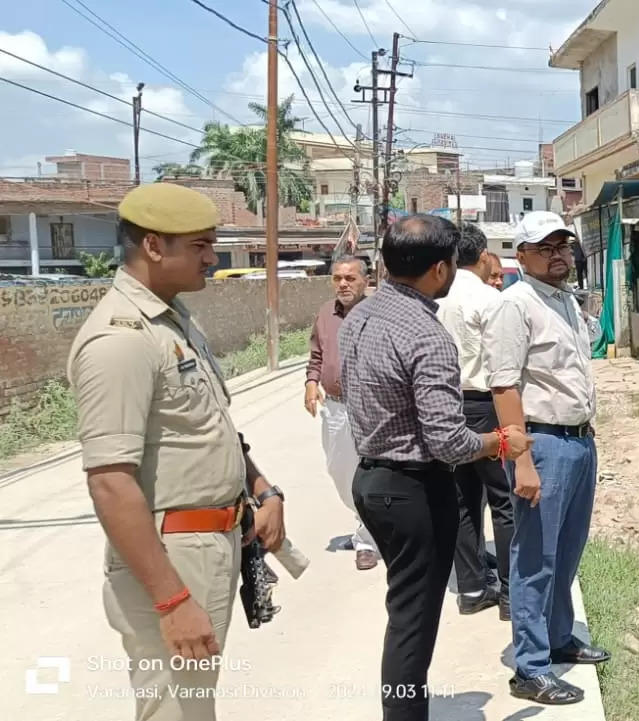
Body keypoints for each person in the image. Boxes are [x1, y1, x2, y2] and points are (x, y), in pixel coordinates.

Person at [68, 183, 288, 721]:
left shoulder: (173, 318)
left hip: (207, 546)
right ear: (152, 246)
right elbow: (110, 482)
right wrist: (170, 600)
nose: (212, 258)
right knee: (174, 710)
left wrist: (262, 489)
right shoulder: (120, 340)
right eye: (200, 246)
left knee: (195, 704)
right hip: (171, 558)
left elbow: (207, 426)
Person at [338, 215, 530, 721]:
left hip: (372, 479)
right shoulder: (427, 335)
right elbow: (448, 441)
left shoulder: (360, 316)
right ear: (441, 269)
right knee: (412, 624)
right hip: (413, 489)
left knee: (405, 615)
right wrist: (498, 441)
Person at [487, 211, 608, 706]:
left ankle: (559, 637)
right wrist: (522, 460)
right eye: (546, 247)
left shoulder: (564, 301)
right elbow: (503, 385)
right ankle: (530, 666)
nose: (559, 254)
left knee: (568, 550)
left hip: (579, 441)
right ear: (522, 256)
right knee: (535, 557)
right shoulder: (515, 305)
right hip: (541, 442)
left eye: (564, 246)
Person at [435, 223, 516, 619]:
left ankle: (470, 589)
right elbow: (503, 364)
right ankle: (510, 594)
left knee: (463, 499)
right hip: (486, 403)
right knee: (504, 499)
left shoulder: (436, 296)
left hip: (449, 404)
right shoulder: (490, 298)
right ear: (483, 256)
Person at [305, 255, 378, 571]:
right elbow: (316, 354)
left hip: (373, 409)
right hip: (335, 408)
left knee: (369, 474)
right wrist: (310, 383)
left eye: (350, 278)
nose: (343, 284)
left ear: (365, 281)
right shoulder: (325, 313)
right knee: (340, 472)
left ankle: (367, 540)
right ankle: (368, 522)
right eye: (337, 278)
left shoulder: (378, 313)